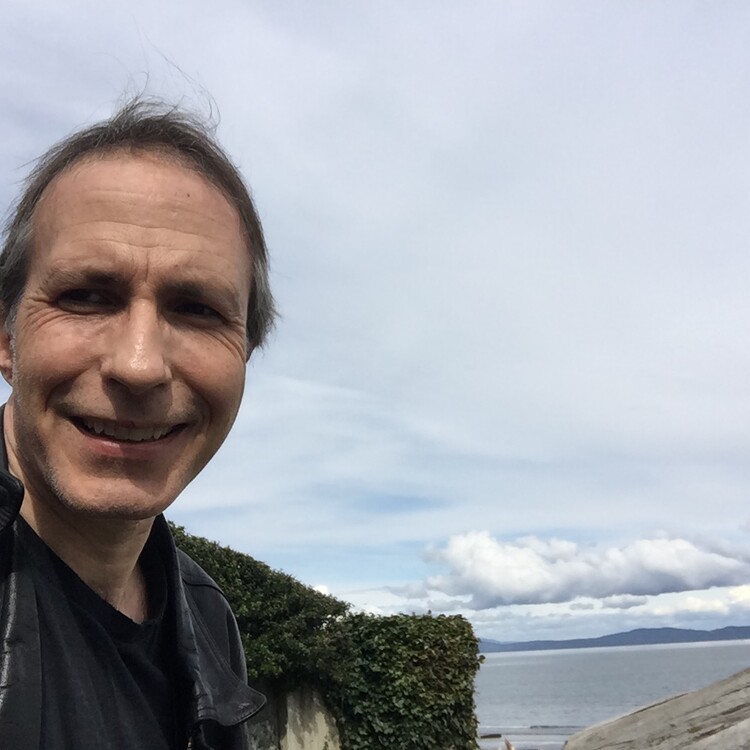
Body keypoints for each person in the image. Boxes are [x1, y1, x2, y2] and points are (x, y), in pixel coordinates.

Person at [0, 99, 276, 749]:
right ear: (7, 340)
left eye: (197, 308)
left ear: (244, 353)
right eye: (86, 296)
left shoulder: (206, 616)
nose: (140, 364)